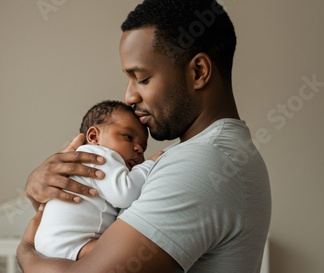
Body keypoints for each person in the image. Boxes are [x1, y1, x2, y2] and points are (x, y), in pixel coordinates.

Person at [18, 0, 271, 272]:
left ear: (198, 72)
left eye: (142, 78)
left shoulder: (203, 164)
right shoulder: (208, 154)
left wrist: (26, 252)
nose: (129, 96)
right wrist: (49, 188)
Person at [35, 100, 163, 260]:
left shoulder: (85, 161)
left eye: (143, 148)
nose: (138, 148)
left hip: (52, 243)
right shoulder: (99, 156)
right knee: (127, 249)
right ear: (94, 136)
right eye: (129, 137)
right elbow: (125, 194)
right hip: (69, 243)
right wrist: (149, 164)